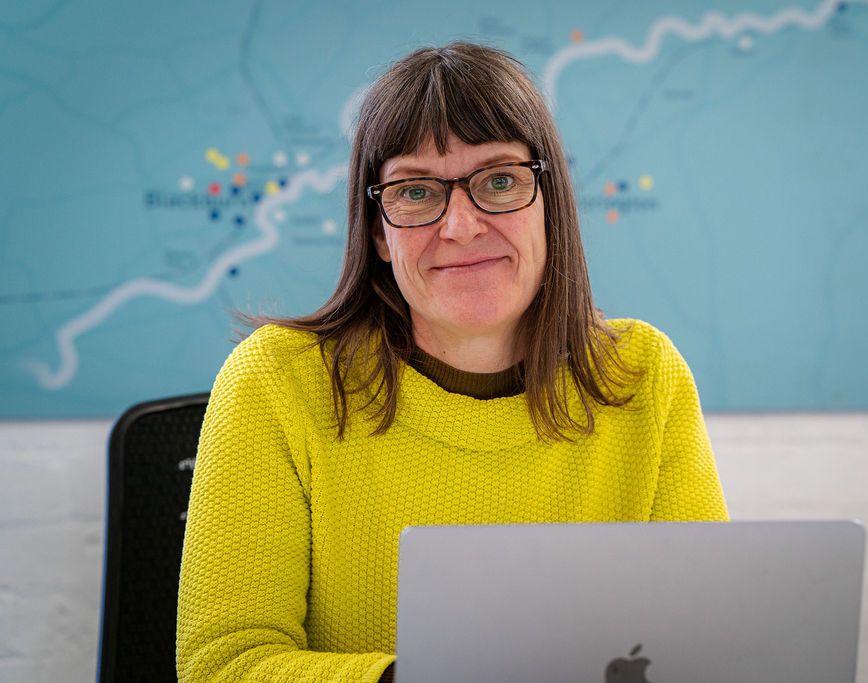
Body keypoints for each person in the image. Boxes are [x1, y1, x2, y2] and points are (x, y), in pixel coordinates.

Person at [176, 41, 728, 682]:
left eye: (499, 180)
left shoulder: (641, 375)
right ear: (379, 230)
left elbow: (699, 646)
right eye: (415, 192)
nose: (461, 227)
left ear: (549, 203)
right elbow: (224, 666)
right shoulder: (275, 383)